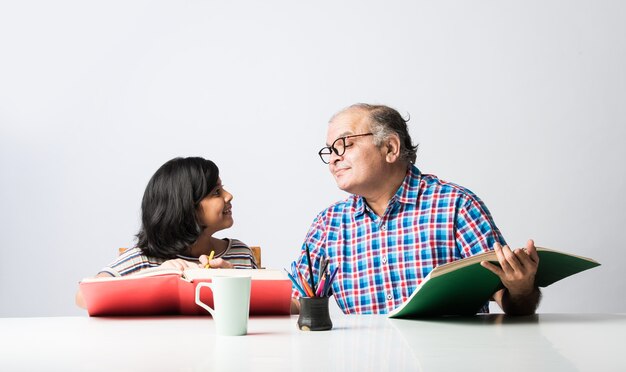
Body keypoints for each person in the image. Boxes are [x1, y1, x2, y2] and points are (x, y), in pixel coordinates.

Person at [291, 103, 540, 315]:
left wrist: (521, 287)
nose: (334, 158)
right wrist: (254, 294)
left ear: (390, 148)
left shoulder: (456, 206)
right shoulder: (328, 224)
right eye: (330, 150)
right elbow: (296, 300)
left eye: (345, 144)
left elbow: (513, 302)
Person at [76, 157, 257, 308]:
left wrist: (236, 281)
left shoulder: (239, 254)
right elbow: (84, 296)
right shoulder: (144, 259)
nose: (229, 195)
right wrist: (153, 276)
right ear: (187, 209)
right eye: (216, 192)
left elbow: (271, 308)